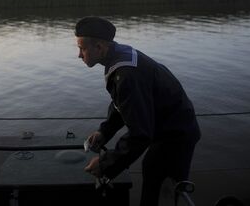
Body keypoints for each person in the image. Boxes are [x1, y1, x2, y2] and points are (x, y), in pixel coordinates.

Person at [75, 16, 201, 206]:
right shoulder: (117, 55)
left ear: (99, 47)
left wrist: (104, 164)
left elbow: (140, 135)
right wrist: (105, 131)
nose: (79, 55)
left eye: (82, 48)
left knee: (159, 179)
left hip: (177, 134)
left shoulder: (126, 75)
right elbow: (123, 102)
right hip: (166, 126)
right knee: (152, 169)